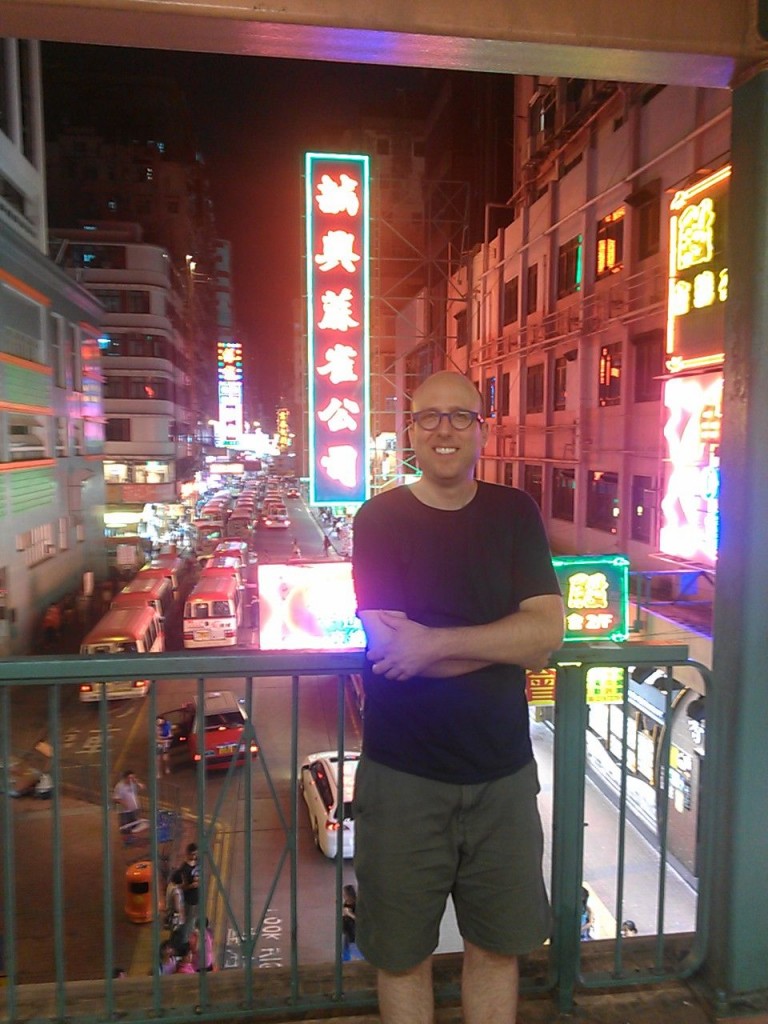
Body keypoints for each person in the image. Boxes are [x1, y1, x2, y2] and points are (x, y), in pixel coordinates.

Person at [351, 370, 564, 1024]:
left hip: (503, 773)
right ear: (410, 430)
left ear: (480, 429)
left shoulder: (514, 513)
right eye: (429, 417)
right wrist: (498, 641)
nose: (444, 429)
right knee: (401, 956)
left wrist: (433, 645)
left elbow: (545, 634)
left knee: (498, 949)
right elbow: (390, 651)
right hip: (402, 774)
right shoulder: (379, 517)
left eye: (460, 416)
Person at [112, 770, 145, 840]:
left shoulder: (133, 784)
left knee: (135, 825)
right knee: (125, 826)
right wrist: (125, 804)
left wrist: (137, 782)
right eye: (130, 778)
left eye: (133, 778)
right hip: (124, 811)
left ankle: (133, 839)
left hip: (134, 809)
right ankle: (126, 840)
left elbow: (143, 787)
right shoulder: (119, 786)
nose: (132, 779)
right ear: (125, 778)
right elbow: (116, 798)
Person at [178, 843, 200, 943]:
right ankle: (185, 941)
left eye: (196, 854)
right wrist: (192, 886)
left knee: (194, 919)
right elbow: (182, 887)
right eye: (192, 854)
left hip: (197, 897)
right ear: (187, 854)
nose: (194, 857)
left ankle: (190, 938)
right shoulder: (184, 868)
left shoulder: (197, 863)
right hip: (189, 899)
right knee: (188, 921)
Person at [341, 884, 364, 962]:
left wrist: (349, 914)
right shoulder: (347, 903)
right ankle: (345, 961)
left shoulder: (357, 904)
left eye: (345, 894)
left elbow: (360, 919)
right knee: (346, 947)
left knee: (354, 948)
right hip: (347, 929)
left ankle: (363, 962)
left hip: (354, 931)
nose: (344, 896)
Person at [165, 869, 186, 946]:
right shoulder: (176, 892)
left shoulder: (170, 885)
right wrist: (182, 915)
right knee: (176, 936)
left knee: (173, 934)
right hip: (176, 918)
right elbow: (177, 907)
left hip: (170, 915)